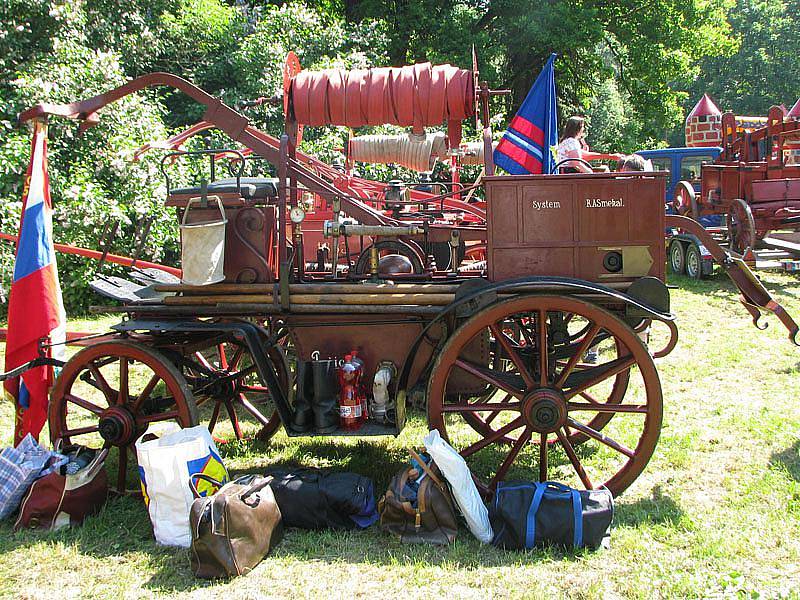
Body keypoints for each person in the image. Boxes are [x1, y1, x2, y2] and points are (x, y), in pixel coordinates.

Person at [557, 116, 623, 173]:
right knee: (604, 171)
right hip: (569, 172)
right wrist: (589, 172)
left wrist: (610, 156)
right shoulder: (572, 142)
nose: (583, 129)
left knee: (604, 168)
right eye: (582, 127)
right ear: (577, 129)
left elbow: (583, 156)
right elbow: (576, 162)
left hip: (566, 171)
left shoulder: (566, 141)